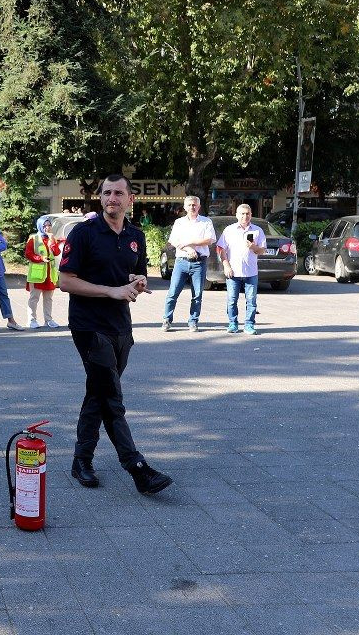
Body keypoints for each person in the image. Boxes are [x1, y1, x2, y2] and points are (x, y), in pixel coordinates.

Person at [59, 173, 173, 495]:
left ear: (129, 199)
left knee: (98, 393)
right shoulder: (83, 233)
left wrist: (138, 283)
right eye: (107, 193)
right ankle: (137, 468)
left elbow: (138, 274)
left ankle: (81, 460)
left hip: (121, 327)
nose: (112, 198)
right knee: (111, 396)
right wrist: (111, 291)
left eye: (118, 193)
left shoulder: (135, 235)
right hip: (88, 326)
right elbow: (65, 280)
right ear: (100, 198)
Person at [161, 195, 216, 333]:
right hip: (182, 262)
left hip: (199, 262)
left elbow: (210, 239)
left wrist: (190, 242)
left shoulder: (206, 222)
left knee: (197, 295)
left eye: (194, 205)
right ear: (185, 207)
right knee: (173, 292)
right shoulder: (179, 222)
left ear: (199, 206)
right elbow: (174, 241)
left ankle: (193, 321)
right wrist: (188, 248)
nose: (192, 207)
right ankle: (167, 320)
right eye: (189, 205)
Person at [216, 203, 266, 335]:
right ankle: (233, 323)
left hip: (251, 272)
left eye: (247, 213)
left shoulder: (257, 231)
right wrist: (226, 266)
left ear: (251, 215)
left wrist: (253, 247)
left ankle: (249, 325)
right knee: (232, 300)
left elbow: (262, 250)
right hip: (233, 272)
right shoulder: (229, 230)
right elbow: (221, 249)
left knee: (251, 300)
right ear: (237, 215)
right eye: (242, 214)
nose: (245, 216)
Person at [24, 215, 61, 328]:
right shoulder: (33, 238)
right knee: (34, 298)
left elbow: (56, 253)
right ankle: (31, 320)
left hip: (50, 274)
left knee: (48, 298)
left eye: (49, 225)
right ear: (40, 226)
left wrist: (52, 240)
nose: (47, 228)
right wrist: (40, 258)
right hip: (37, 274)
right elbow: (28, 254)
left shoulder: (52, 238)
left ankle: (48, 320)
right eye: (45, 226)